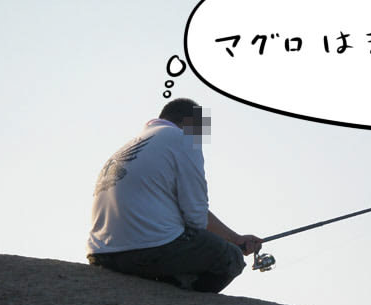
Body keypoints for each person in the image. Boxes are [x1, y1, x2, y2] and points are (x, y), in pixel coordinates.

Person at [86, 98, 262, 293]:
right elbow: (196, 217)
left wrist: (234, 238)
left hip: (101, 253)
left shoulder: (137, 144)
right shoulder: (183, 138)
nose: (201, 137)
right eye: (201, 130)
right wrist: (233, 247)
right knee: (231, 258)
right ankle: (179, 296)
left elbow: (194, 211)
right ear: (190, 123)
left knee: (223, 246)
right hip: (144, 252)